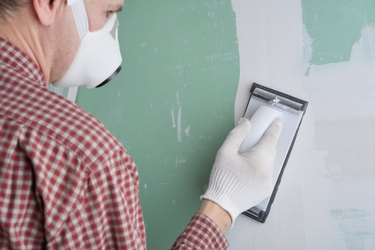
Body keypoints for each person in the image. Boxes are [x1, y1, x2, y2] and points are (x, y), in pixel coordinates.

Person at [0, 0, 283, 249]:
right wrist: (222, 207)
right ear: (48, 3)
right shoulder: (83, 160)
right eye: (108, 11)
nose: (112, 28)